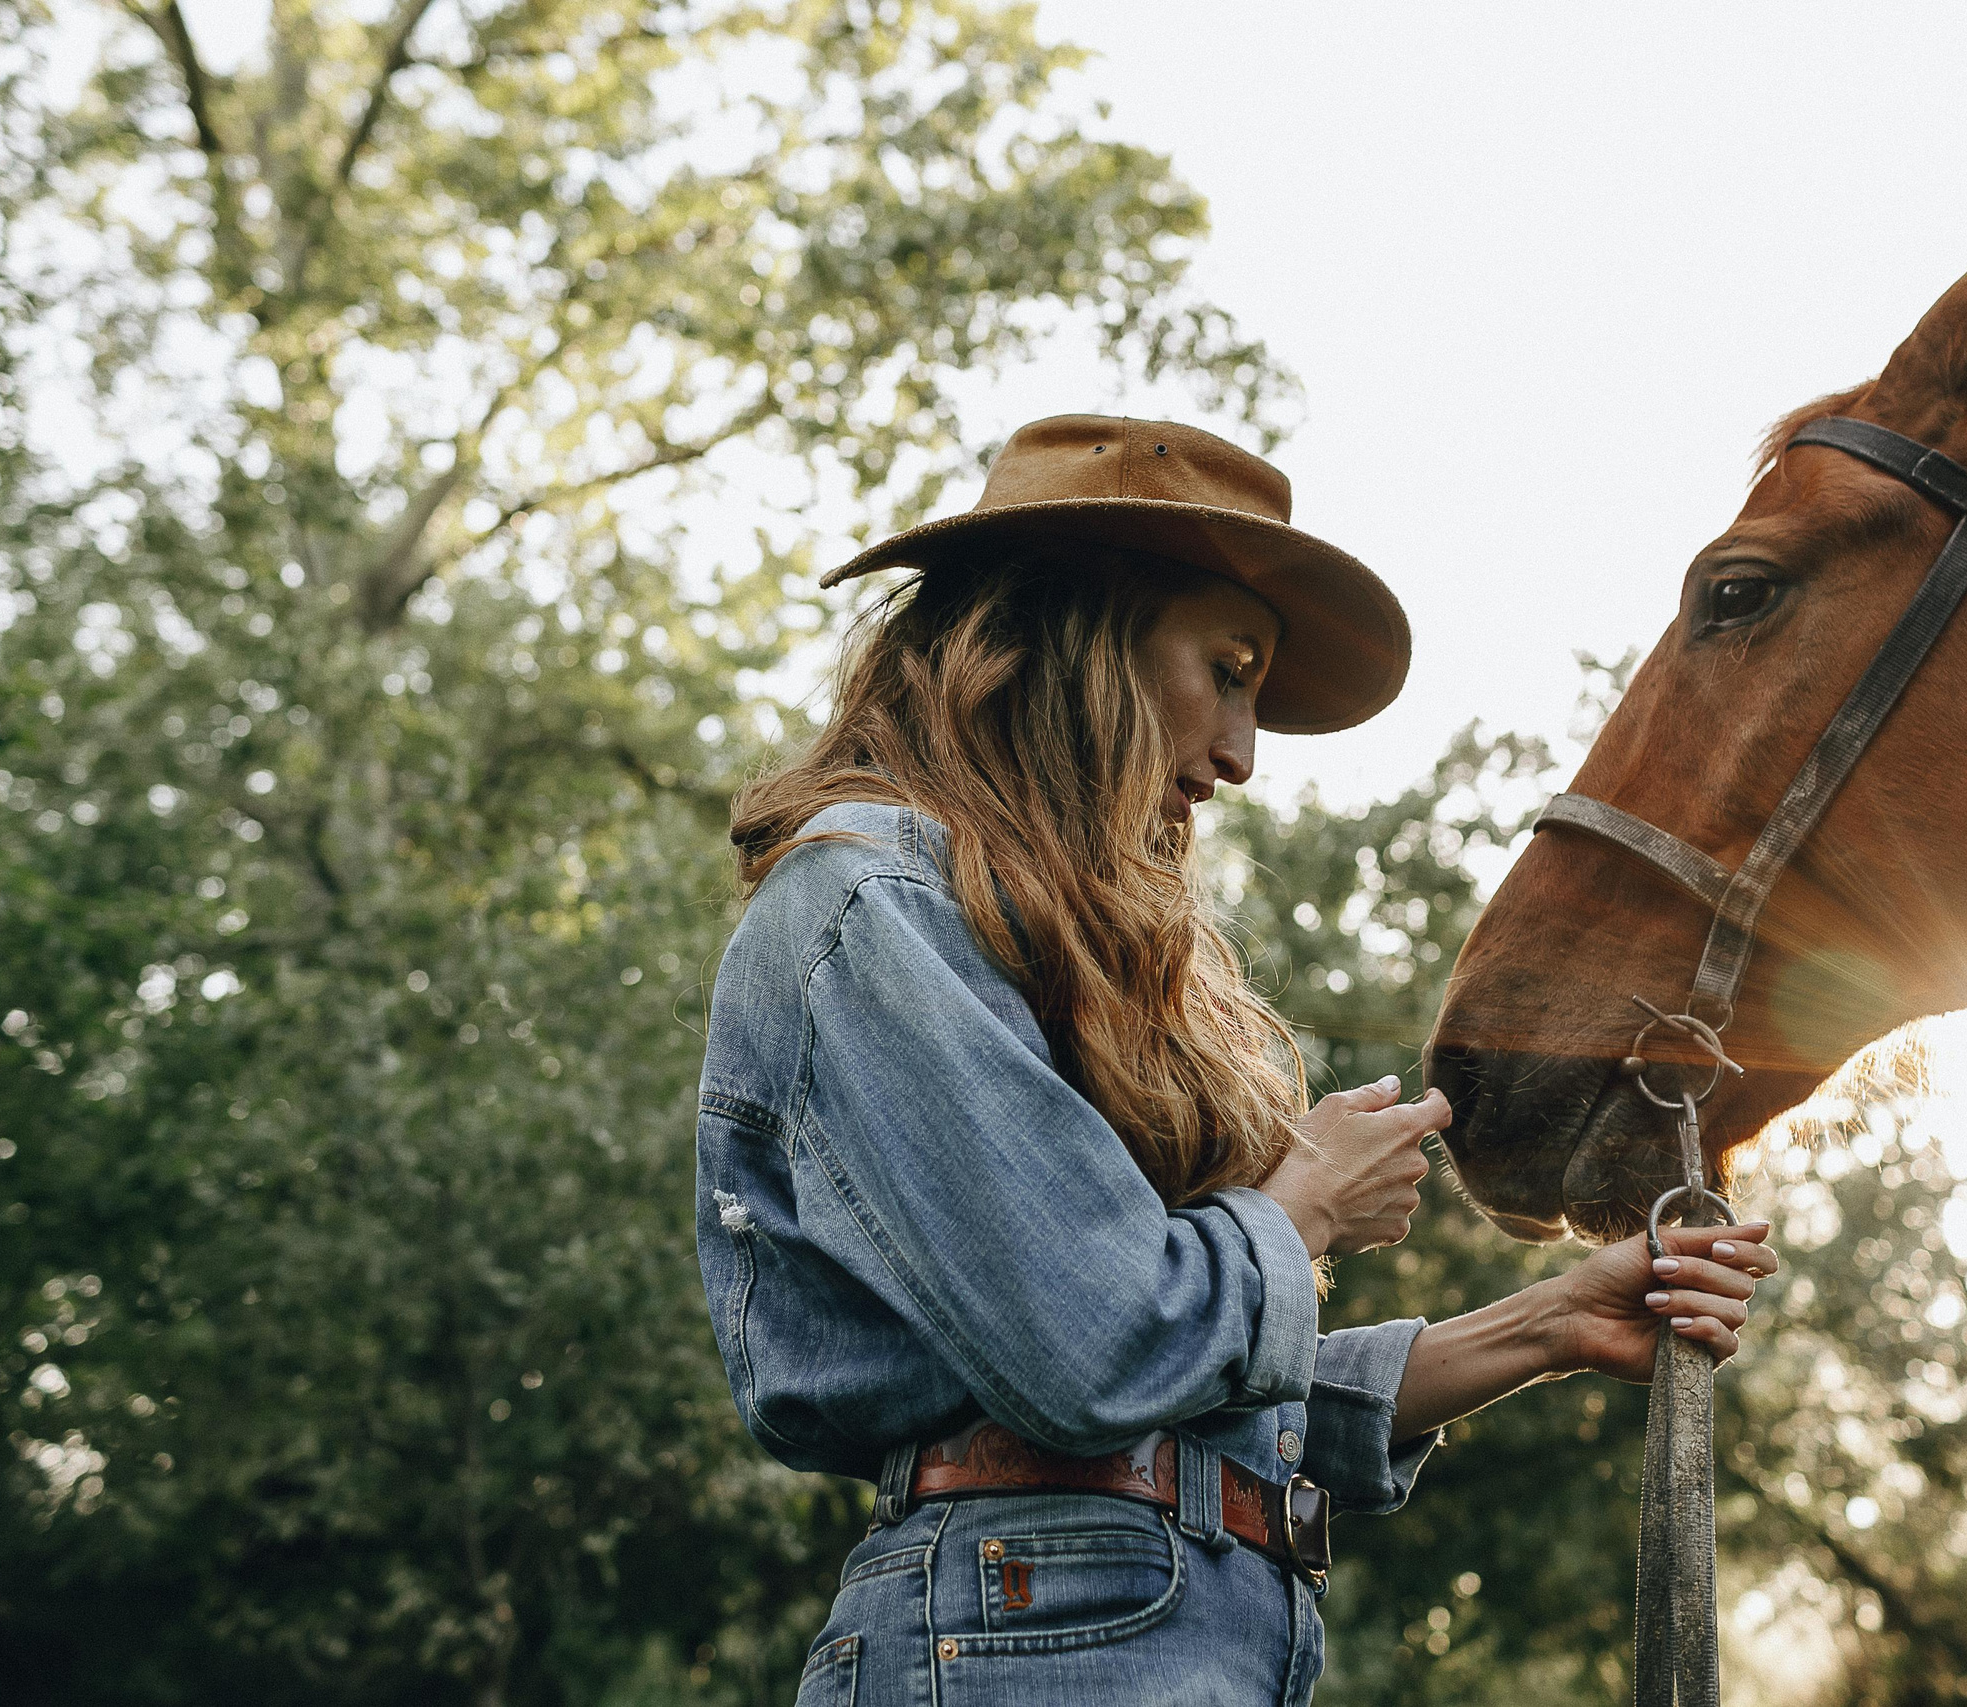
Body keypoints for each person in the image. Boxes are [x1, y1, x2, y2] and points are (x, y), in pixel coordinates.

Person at [697, 415, 1777, 1705]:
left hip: (1119, 1631)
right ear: (1078, 639)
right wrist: (1301, 1197)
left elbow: (1189, 1411)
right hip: (1021, 1638)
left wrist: (1548, 1321)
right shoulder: (868, 906)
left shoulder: (1001, 931)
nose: (1242, 757)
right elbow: (1098, 1349)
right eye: (1228, 668)